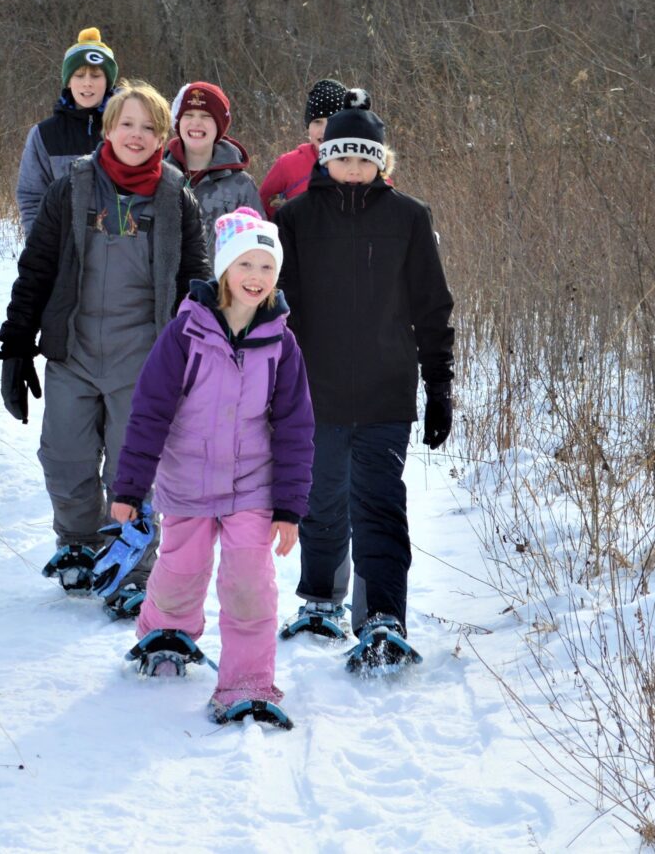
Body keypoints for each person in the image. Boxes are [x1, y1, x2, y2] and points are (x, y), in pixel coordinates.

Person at [0, 81, 210, 616]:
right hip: (73, 351)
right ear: (108, 128)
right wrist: (18, 344)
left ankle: (134, 565)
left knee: (131, 469)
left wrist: (200, 361)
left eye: (148, 127)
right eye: (126, 124)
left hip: (143, 359)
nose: (136, 136)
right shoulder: (70, 189)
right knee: (64, 456)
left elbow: (195, 280)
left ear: (163, 137)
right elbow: (37, 268)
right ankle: (77, 544)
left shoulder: (176, 199)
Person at [110, 208, 314, 723]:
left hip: (252, 483)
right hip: (187, 479)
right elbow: (149, 412)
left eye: (267, 267)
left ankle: (248, 681)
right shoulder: (186, 335)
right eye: (246, 263)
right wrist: (130, 488)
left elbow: (294, 427)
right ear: (224, 268)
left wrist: (289, 506)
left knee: (250, 577)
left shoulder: (281, 344)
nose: (256, 277)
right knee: (182, 567)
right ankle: (167, 632)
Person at [275, 88, 454, 668]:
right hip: (314, 392)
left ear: (382, 162)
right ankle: (320, 599)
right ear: (324, 158)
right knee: (320, 497)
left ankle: (382, 616)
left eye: (364, 158)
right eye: (342, 157)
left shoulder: (409, 217)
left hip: (385, 390)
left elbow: (432, 308)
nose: (353, 169)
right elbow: (279, 309)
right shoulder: (294, 219)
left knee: (378, 504)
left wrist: (439, 387)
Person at [16, 27, 118, 236]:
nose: (87, 82)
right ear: (68, 81)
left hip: (121, 251)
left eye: (96, 75)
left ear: (107, 81)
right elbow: (32, 197)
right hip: (65, 251)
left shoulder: (126, 127)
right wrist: (40, 250)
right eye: (79, 75)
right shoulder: (45, 134)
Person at [165, 82, 264, 262]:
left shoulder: (240, 185)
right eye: (188, 115)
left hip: (218, 287)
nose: (196, 122)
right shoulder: (159, 177)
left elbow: (259, 248)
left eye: (206, 116)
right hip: (167, 287)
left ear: (219, 124)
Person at [258, 78, 346, 220]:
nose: (324, 131)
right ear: (308, 125)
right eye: (317, 122)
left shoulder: (363, 162)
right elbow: (263, 208)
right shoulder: (288, 165)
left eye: (332, 121)